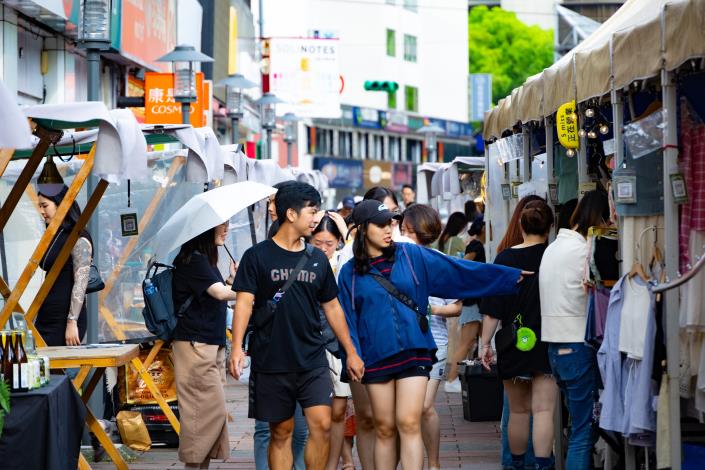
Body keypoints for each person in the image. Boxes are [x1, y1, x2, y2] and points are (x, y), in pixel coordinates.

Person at [337, 199, 528, 470]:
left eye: (391, 222)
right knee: (384, 427)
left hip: (415, 350)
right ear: (363, 228)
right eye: (381, 225)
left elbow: (459, 271)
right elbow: (346, 318)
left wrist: (507, 277)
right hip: (375, 355)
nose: (389, 229)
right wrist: (352, 354)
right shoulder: (350, 273)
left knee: (409, 421)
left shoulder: (412, 255)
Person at [229, 182, 364, 470]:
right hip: (271, 358)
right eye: (312, 211)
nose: (316, 218)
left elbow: (332, 307)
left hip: (312, 358)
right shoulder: (257, 256)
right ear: (291, 214)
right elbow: (244, 303)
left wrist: (350, 351)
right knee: (281, 432)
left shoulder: (317, 258)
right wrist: (237, 348)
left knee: (322, 425)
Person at [336, 185, 412, 470]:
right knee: (368, 419)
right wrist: (352, 351)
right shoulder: (349, 259)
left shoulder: (405, 249)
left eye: (392, 215)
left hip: (402, 349)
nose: (389, 224)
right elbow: (343, 309)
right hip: (363, 349)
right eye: (381, 218)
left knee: (401, 420)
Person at [480, 200, 558, 470]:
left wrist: (484, 344)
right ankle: (543, 465)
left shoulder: (505, 259)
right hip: (549, 341)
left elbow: (492, 310)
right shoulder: (553, 256)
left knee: (518, 411)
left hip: (513, 342)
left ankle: (515, 464)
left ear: (521, 227)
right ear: (550, 227)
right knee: (544, 410)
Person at [539, 190, 609, 470]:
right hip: (577, 348)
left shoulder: (553, 247)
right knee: (583, 432)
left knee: (575, 425)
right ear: (601, 217)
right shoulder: (585, 250)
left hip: (556, 349)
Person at [400, 204, 462, 470]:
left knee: (424, 407)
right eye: (402, 230)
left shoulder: (439, 261)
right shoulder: (397, 259)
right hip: (402, 342)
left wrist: (432, 308)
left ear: (422, 231)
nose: (402, 235)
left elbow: (457, 306)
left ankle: (434, 463)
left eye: (407, 231)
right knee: (408, 413)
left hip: (434, 341)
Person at [171, 222, 237, 469]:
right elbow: (220, 294)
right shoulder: (193, 260)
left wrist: (233, 278)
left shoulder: (202, 261)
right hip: (195, 346)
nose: (226, 231)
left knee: (211, 413)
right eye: (221, 226)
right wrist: (249, 288)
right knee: (202, 414)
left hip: (208, 343)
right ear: (204, 230)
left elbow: (215, 293)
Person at [310, 214, 353, 470]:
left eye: (329, 242)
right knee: (319, 413)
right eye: (318, 243)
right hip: (313, 344)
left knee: (338, 411)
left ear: (338, 241)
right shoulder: (305, 263)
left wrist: (346, 232)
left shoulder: (344, 264)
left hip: (338, 345)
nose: (324, 248)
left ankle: (332, 464)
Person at [36, 185, 93, 347]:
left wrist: (72, 322)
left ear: (60, 203)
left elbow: (80, 283)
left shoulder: (78, 237)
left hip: (65, 320)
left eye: (45, 206)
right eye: (39, 206)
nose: (41, 211)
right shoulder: (55, 234)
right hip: (46, 316)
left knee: (59, 368)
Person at [445, 215, 487, 393]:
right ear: (482, 228)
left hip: (475, 301)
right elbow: (463, 267)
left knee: (478, 342)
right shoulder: (475, 246)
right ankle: (452, 378)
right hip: (472, 302)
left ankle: (469, 377)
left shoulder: (475, 245)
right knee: (467, 342)